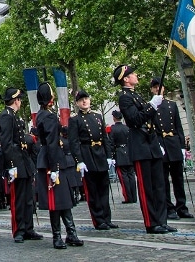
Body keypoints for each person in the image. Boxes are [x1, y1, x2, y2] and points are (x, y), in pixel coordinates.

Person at [113, 64, 176, 234]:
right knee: (146, 187)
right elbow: (134, 120)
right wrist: (152, 106)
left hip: (151, 143)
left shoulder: (136, 95)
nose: (136, 75)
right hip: (140, 145)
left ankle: (162, 220)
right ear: (126, 79)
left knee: (159, 185)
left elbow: (149, 120)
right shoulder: (124, 98)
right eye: (132, 74)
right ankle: (151, 222)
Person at [35, 82, 84, 250]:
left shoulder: (46, 114)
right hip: (52, 160)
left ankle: (71, 233)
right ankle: (58, 236)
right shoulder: (47, 116)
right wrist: (54, 167)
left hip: (55, 159)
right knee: (55, 202)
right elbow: (51, 143)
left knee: (64, 199)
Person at [0, 87, 43, 243]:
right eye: (20, 99)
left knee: (28, 197)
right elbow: (6, 143)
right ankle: (19, 230)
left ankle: (29, 228)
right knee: (19, 198)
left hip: (23, 160)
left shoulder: (13, 116)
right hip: (16, 161)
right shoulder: (6, 116)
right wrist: (11, 165)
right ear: (15, 100)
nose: (21, 101)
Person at [68, 89, 117, 230]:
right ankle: (99, 219)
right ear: (77, 103)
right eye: (81, 99)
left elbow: (105, 138)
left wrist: (109, 156)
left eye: (86, 98)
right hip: (87, 154)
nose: (84, 101)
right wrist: (79, 160)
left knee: (104, 188)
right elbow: (74, 142)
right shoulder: (74, 120)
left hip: (100, 153)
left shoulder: (97, 116)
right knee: (93, 190)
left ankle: (107, 218)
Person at [150, 77, 194, 220]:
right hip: (161, 144)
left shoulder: (172, 105)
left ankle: (182, 206)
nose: (158, 89)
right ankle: (169, 208)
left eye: (160, 87)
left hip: (173, 143)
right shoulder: (150, 106)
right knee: (163, 180)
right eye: (155, 87)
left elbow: (178, 127)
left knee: (178, 179)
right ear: (152, 90)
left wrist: (182, 146)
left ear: (164, 89)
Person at [108, 111, 138, 204]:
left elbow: (111, 143)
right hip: (129, 153)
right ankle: (134, 196)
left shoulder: (112, 129)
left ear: (114, 118)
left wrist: (111, 156)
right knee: (131, 176)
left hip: (119, 153)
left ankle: (128, 197)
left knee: (123, 177)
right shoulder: (127, 128)